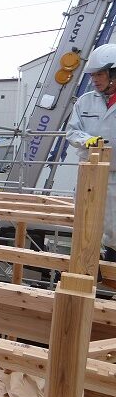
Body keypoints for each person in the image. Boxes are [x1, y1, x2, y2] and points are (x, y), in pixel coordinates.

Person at [67, 43, 116, 264]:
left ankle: (111, 262)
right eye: (93, 75)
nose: (95, 80)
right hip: (89, 172)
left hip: (114, 174)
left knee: (113, 226)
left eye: (100, 74)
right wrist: (88, 141)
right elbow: (72, 131)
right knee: (85, 222)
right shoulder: (86, 101)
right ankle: (88, 263)